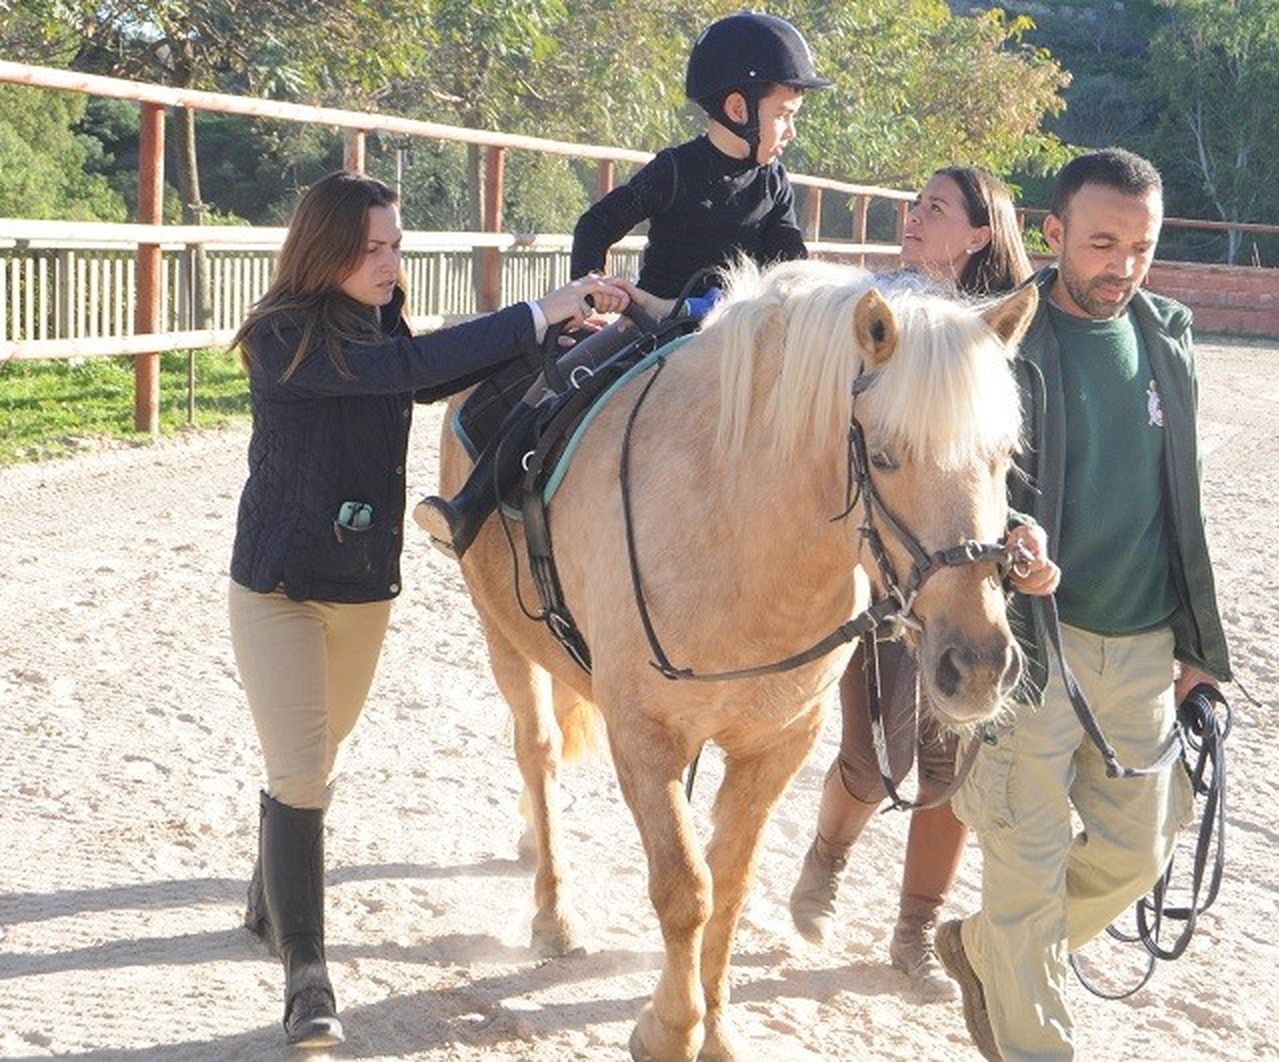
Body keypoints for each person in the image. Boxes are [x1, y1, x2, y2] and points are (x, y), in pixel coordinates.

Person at [228, 170, 629, 1048]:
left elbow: (421, 374)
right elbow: (403, 371)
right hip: (276, 587)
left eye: (396, 246)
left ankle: (268, 892)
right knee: (305, 770)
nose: (390, 262)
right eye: (372, 248)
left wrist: (562, 333)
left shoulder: (375, 321)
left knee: (314, 752)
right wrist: (536, 308)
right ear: (325, 249)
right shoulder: (282, 336)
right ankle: (307, 974)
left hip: (359, 584)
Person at [931, 148, 1233, 1060]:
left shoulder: (1168, 336)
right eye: (1103, 243)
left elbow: (1182, 499)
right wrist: (1018, 536)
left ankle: (990, 949)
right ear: (1053, 233)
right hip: (1028, 650)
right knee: (1024, 881)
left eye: (1142, 245)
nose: (1124, 265)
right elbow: (970, 481)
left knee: (1138, 854)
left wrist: (1201, 647)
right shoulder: (1000, 343)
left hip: (1143, 652)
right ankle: (1028, 1008)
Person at [414, 10, 829, 557]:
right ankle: (468, 507)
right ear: (738, 109)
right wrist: (586, 298)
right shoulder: (674, 169)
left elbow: (788, 259)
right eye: (785, 115)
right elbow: (596, 225)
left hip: (731, 329)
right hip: (651, 322)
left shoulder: (774, 182)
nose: (791, 131)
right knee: (560, 384)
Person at [787, 166, 1045, 1002]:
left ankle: (915, 931)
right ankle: (825, 859)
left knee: (947, 769)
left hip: (962, 574)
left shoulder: (996, 332)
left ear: (977, 233)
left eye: (935, 208)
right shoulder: (873, 314)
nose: (914, 216)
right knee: (866, 763)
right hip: (880, 568)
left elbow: (1006, 466)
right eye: (915, 204)